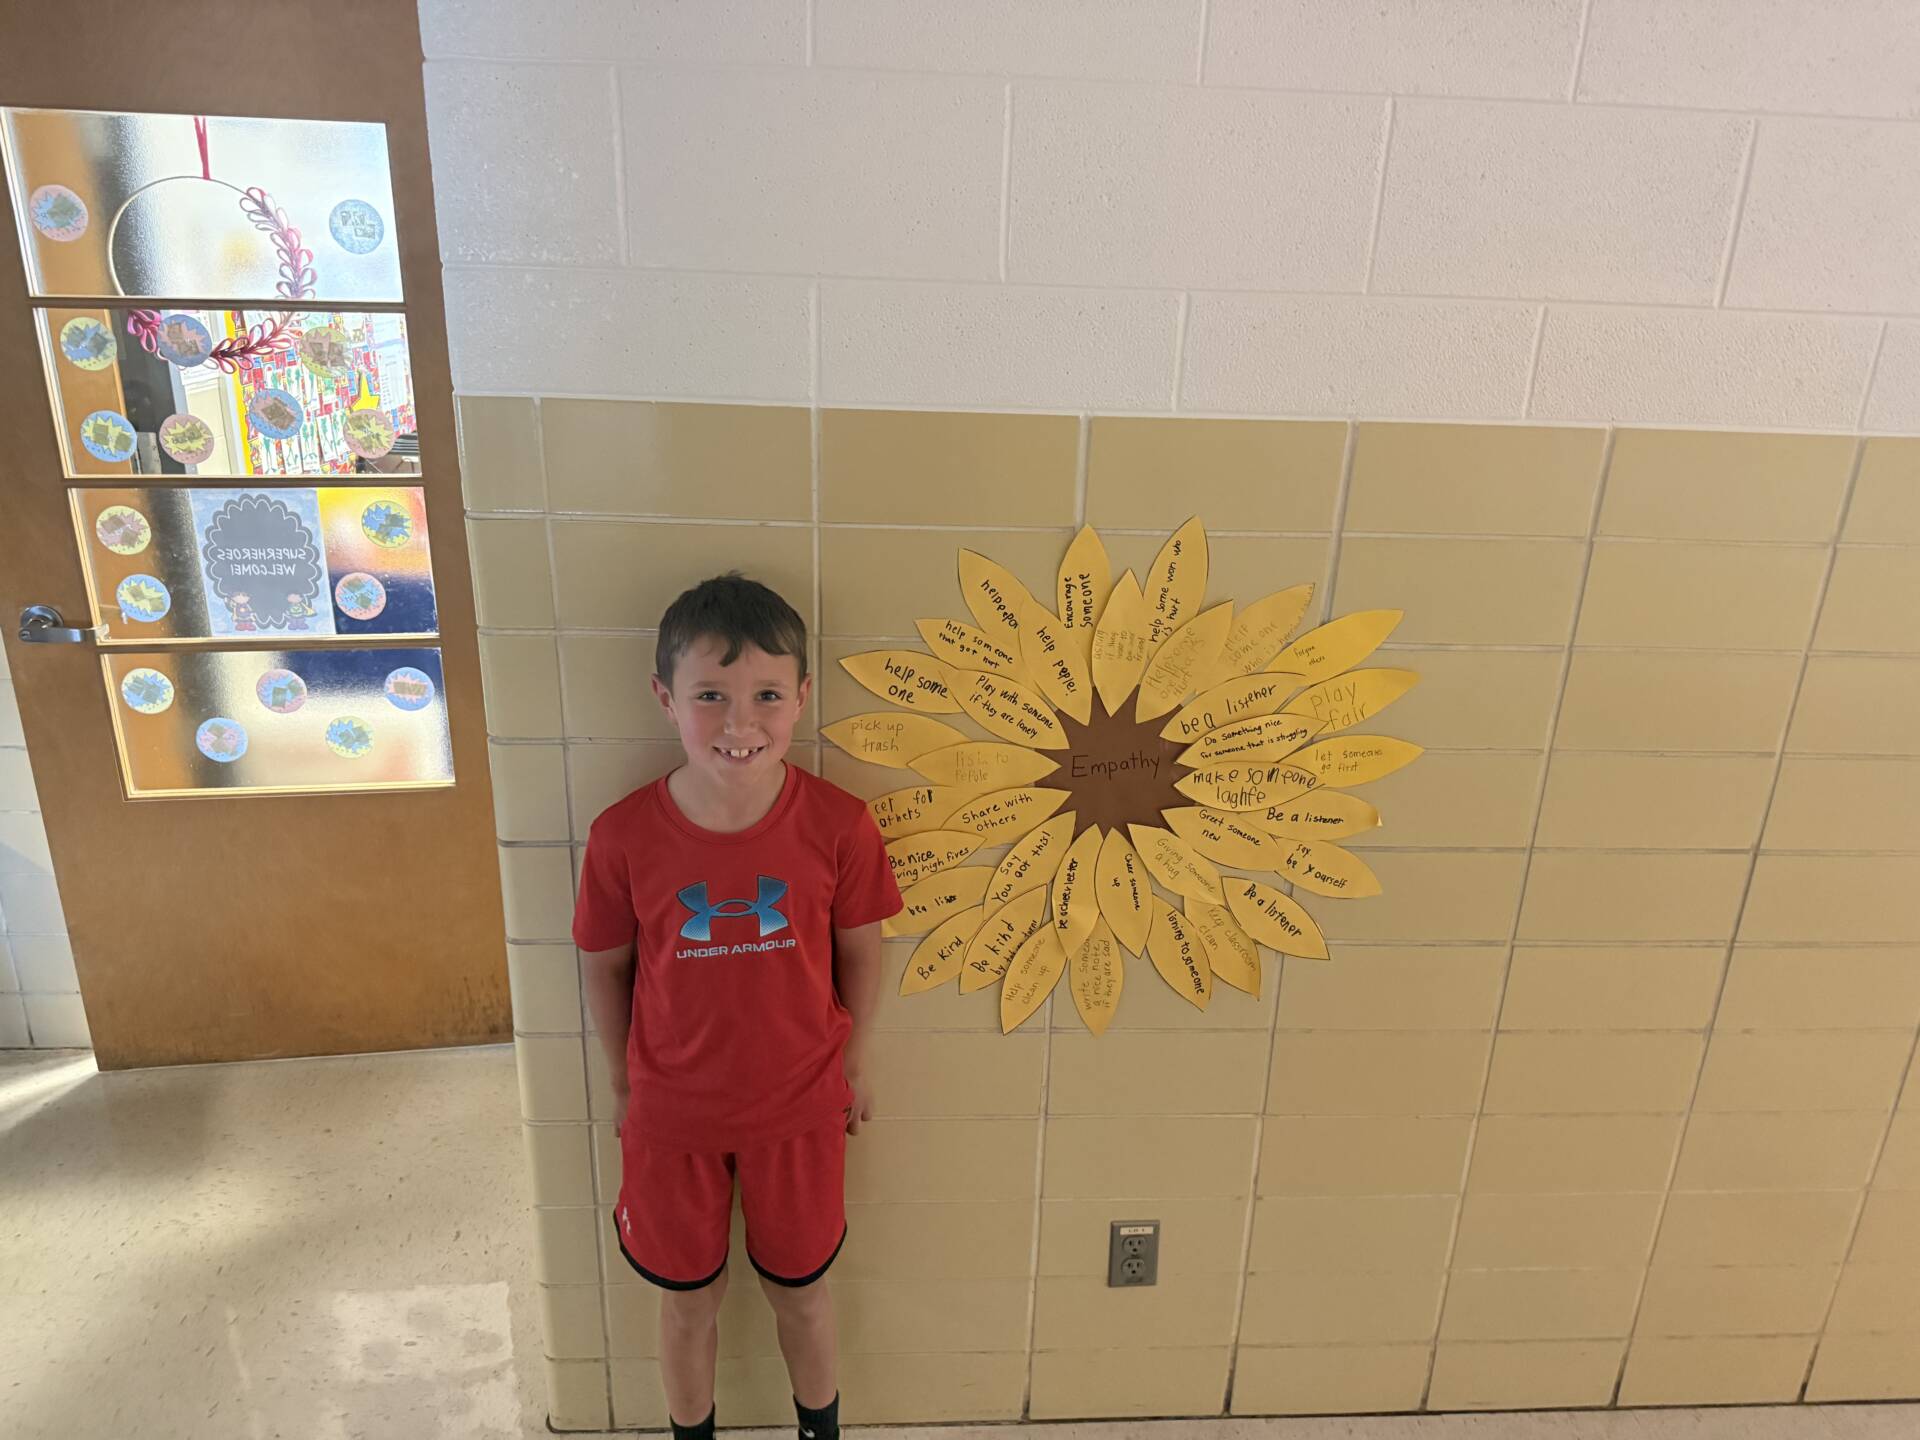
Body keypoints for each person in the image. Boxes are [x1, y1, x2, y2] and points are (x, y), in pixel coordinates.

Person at [573, 573, 901, 1440]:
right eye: (709, 696)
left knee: (802, 1293)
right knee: (689, 1305)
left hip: (799, 1110)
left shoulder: (840, 825)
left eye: (764, 694)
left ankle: (818, 1430)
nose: (738, 723)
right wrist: (623, 1081)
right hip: (671, 1116)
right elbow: (605, 969)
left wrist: (853, 1066)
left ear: (801, 696)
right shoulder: (622, 837)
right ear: (664, 699)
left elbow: (863, 953)